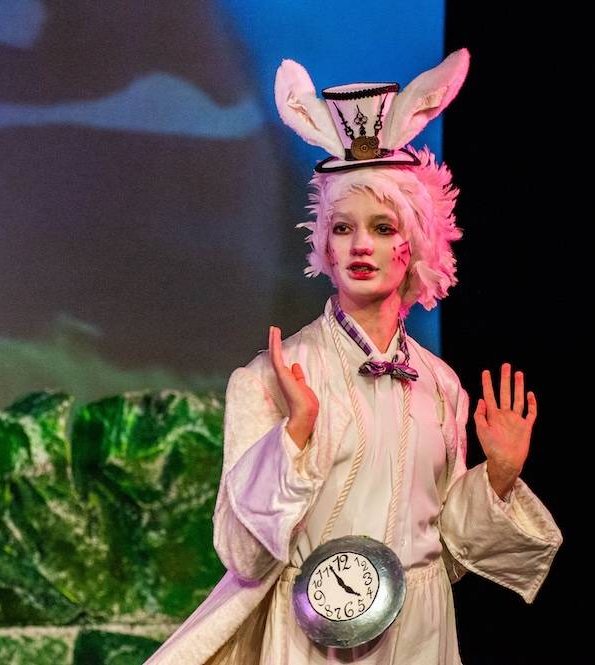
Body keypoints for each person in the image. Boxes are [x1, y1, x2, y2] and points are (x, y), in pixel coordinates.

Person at [144, 48, 563, 665]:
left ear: (414, 243)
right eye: (343, 227)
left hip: (419, 634)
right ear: (325, 244)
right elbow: (242, 555)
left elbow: (448, 552)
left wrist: (498, 475)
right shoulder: (269, 380)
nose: (361, 245)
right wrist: (295, 433)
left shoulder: (441, 386)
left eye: (383, 227)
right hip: (309, 637)